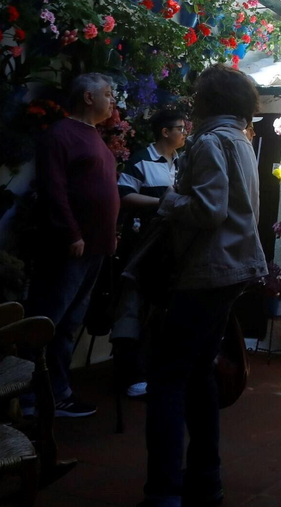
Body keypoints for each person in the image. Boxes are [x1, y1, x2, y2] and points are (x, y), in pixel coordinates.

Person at [142, 66, 266, 507]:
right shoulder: (240, 140)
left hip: (207, 270)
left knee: (167, 379)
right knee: (197, 376)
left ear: (208, 99)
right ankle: (204, 479)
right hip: (229, 269)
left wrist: (170, 201)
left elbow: (209, 209)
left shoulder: (213, 141)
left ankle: (164, 490)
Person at [26, 71, 120, 418]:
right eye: (108, 93)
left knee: (69, 323)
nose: (113, 100)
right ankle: (31, 398)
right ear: (87, 97)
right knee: (47, 321)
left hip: (95, 248)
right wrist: (71, 233)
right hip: (71, 247)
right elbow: (54, 189)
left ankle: (58, 392)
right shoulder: (61, 135)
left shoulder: (94, 136)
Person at [112, 104, 190, 398]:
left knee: (161, 311)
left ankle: (152, 370)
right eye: (181, 129)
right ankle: (129, 374)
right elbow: (123, 195)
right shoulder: (142, 160)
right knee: (132, 305)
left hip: (169, 248)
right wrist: (160, 204)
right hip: (141, 245)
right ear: (165, 132)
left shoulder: (181, 162)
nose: (185, 134)